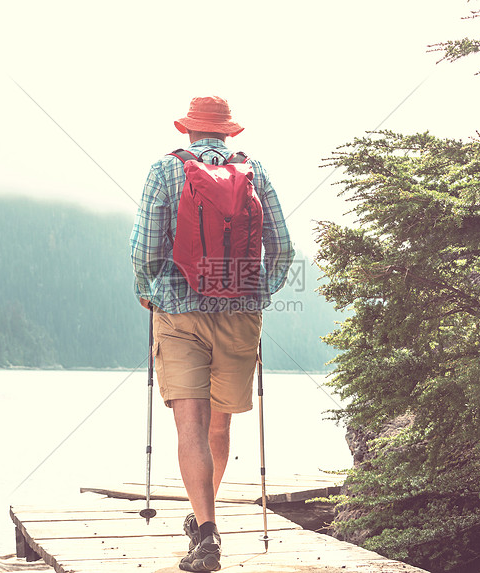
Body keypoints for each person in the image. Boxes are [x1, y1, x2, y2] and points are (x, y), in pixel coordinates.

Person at [131, 95, 295, 571]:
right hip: (240, 314)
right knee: (220, 425)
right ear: (228, 133)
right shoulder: (255, 172)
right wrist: (259, 291)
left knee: (191, 426)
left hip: (180, 314)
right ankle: (205, 519)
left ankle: (206, 532)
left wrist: (149, 290)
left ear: (188, 131)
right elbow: (281, 245)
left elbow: (145, 247)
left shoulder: (164, 171)